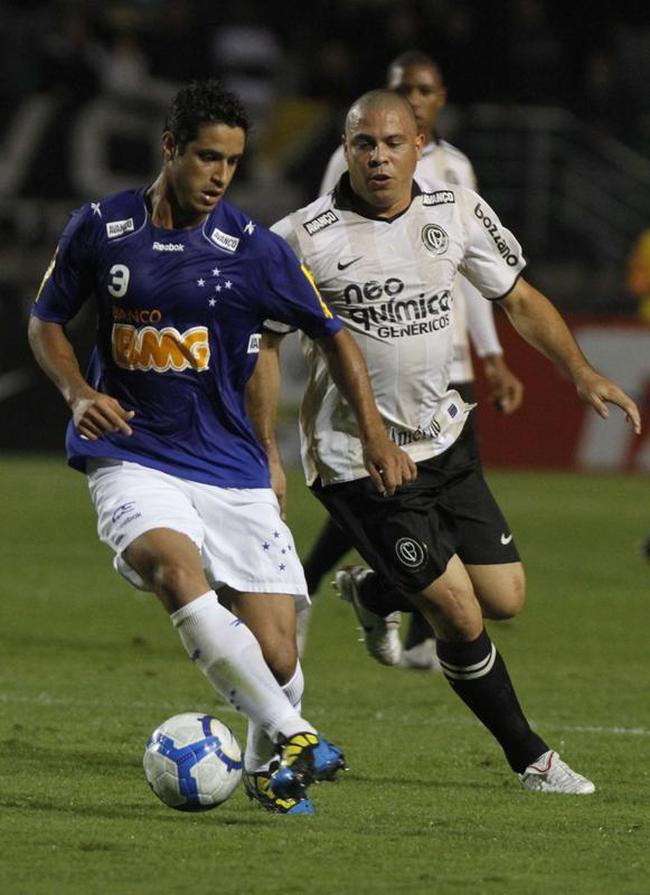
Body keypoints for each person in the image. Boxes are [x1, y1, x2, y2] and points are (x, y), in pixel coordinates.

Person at [27, 79, 416, 816]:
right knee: (172, 567)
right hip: (131, 453)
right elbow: (46, 321)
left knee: (278, 657)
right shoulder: (101, 229)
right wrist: (79, 391)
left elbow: (333, 333)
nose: (220, 176)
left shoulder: (254, 251)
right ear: (170, 147)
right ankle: (297, 734)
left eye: (233, 163)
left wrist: (369, 433)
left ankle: (272, 763)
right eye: (207, 157)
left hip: (229, 465)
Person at [251, 89, 642, 794]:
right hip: (357, 458)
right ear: (345, 149)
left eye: (392, 143)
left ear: (418, 144)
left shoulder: (452, 210)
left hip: (447, 437)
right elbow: (263, 348)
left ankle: (374, 594)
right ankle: (531, 757)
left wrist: (580, 371)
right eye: (364, 143)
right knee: (457, 611)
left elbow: (518, 296)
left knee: (506, 596)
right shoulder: (300, 239)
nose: (378, 157)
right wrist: (266, 452)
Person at [299, 50, 525, 667]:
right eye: (405, 87)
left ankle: (377, 593)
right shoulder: (349, 166)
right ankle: (327, 589)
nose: (416, 95)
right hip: (372, 368)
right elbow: (324, 254)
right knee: (380, 493)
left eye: (424, 90)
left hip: (446, 370)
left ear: (437, 102)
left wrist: (491, 354)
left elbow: (477, 273)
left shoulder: (456, 172)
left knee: (440, 511)